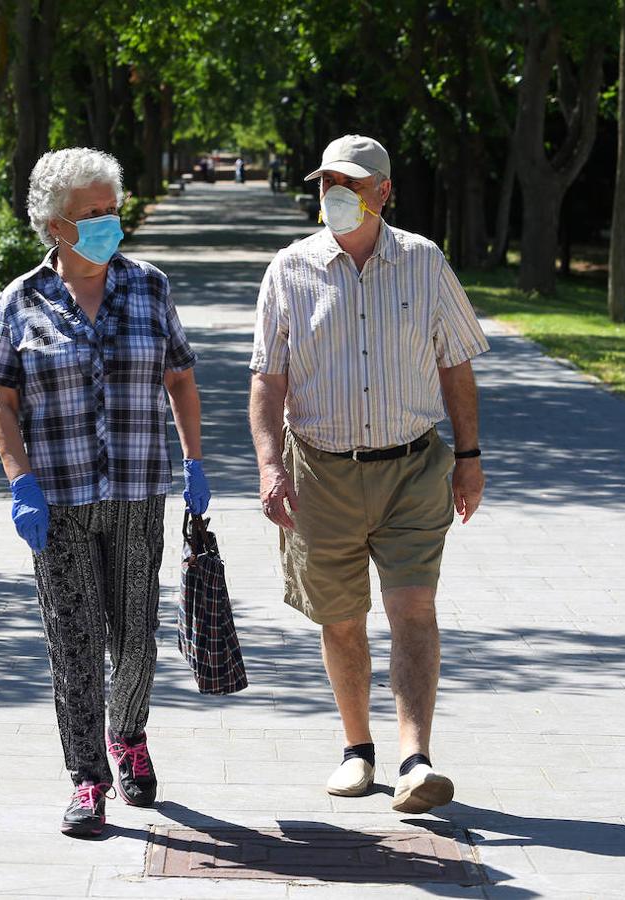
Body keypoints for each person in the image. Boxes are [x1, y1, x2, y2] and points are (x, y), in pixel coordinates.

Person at [248, 134, 489, 814]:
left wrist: (468, 458)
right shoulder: (290, 269)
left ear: (383, 192)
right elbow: (266, 380)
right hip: (319, 473)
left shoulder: (423, 262)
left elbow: (456, 364)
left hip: (412, 467)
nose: (337, 194)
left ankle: (417, 760)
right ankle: (358, 749)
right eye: (328, 180)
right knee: (341, 617)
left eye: (351, 183)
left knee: (412, 608)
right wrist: (270, 469)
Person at [0, 147, 209, 838]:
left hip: (139, 493)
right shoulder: (21, 300)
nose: (108, 224)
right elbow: (0, 397)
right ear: (55, 223)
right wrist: (20, 483)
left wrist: (195, 459)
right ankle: (87, 779)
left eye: (113, 211)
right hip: (59, 502)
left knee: (135, 640)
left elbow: (178, 377)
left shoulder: (148, 287)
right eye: (92, 214)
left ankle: (128, 734)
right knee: (74, 645)